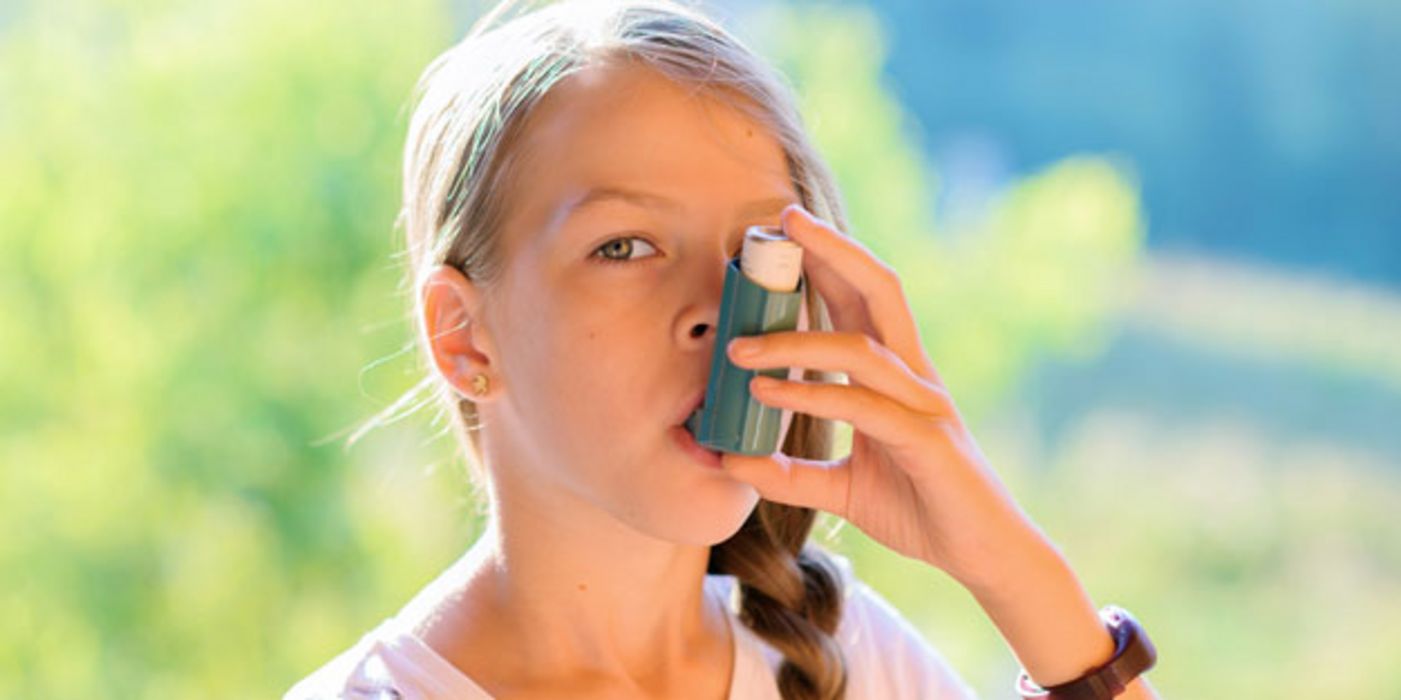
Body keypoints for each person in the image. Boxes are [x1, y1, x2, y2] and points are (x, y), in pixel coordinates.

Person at [286, 0, 1162, 698]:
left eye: (758, 255)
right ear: (462, 334)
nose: (719, 309)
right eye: (624, 247)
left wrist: (1005, 565)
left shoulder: (851, 660)